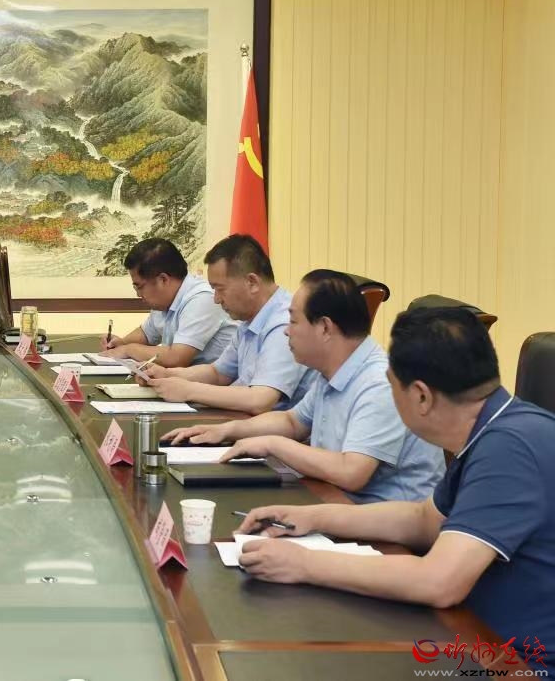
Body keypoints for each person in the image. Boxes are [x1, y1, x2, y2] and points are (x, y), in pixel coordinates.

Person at [236, 308, 554, 653]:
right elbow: (424, 520)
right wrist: (312, 516)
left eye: (391, 386)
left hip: (516, 662)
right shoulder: (496, 429)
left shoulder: (509, 448)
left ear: (421, 396)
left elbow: (439, 582)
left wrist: (303, 563)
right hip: (474, 635)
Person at [163, 269, 444, 503]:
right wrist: (226, 431)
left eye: (294, 321)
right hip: (337, 500)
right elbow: (292, 421)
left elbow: (352, 472)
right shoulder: (334, 369)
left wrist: (272, 444)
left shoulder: (379, 383)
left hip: (382, 524)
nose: (287, 330)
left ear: (325, 328)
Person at [136, 234, 314, 413]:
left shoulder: (284, 323)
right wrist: (167, 374)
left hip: (270, 426)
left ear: (252, 283)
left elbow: (260, 399)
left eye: (220, 289)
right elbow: (218, 373)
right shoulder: (250, 319)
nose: (216, 299)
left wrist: (189, 390)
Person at [102, 238, 235, 365]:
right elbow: (146, 334)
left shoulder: (202, 299)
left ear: (163, 279)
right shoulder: (164, 301)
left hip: (219, 380)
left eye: (140, 287)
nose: (138, 294)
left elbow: (176, 358)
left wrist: (129, 349)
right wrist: (120, 343)